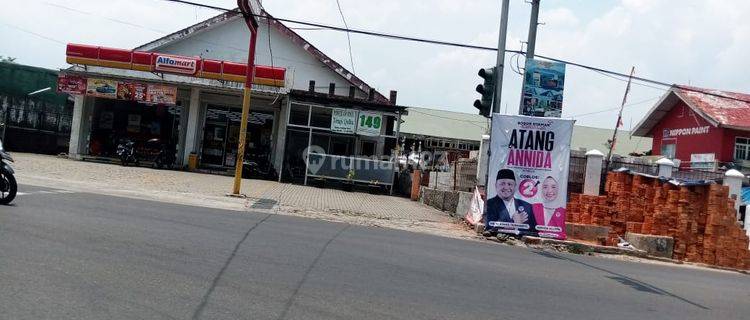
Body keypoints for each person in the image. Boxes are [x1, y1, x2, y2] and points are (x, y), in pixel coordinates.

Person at [484, 169, 536, 236]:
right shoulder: (490, 204)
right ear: (496, 185)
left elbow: (533, 230)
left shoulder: (527, 206)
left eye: (510, 184)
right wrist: (513, 223)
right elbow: (490, 226)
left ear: (515, 186)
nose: (506, 187)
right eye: (502, 184)